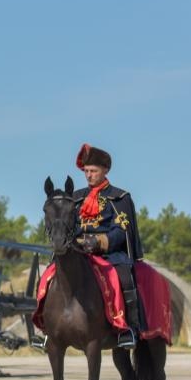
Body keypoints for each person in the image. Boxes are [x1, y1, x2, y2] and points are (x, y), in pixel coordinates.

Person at [74, 143, 146, 349]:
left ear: (105, 170)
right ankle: (47, 331)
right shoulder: (77, 198)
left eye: (93, 171)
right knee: (50, 276)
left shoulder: (119, 197)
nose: (89, 175)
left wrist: (98, 242)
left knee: (124, 277)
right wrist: (79, 242)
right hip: (80, 254)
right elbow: (70, 226)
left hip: (110, 255)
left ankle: (129, 329)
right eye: (86, 171)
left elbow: (122, 229)